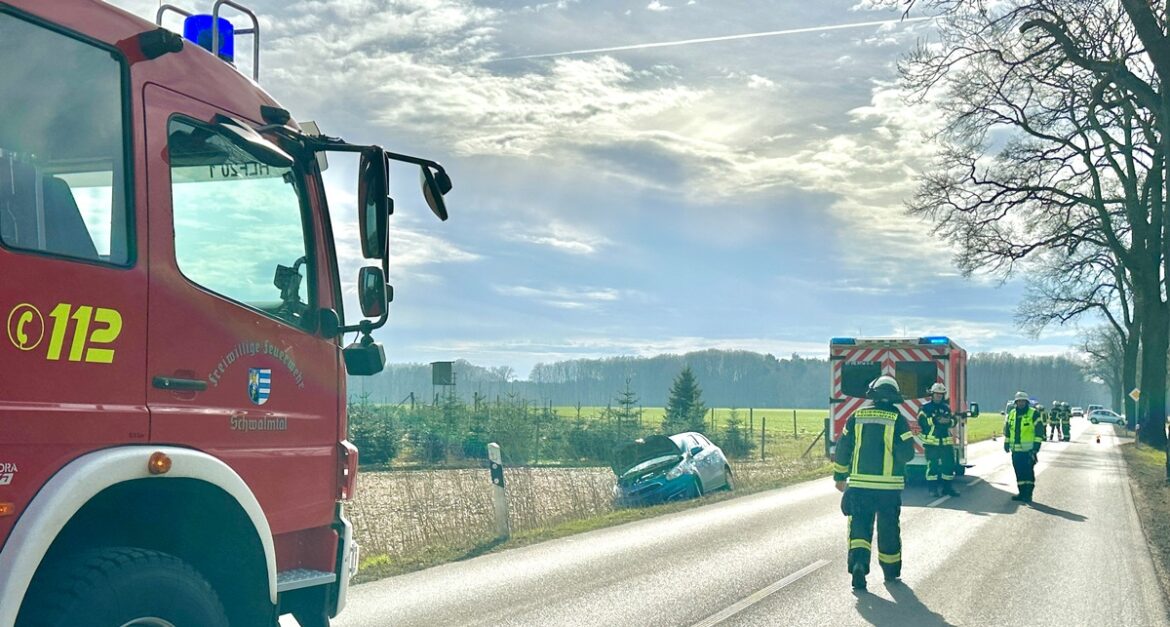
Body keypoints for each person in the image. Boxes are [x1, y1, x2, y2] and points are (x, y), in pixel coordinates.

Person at [834, 375, 916, 590]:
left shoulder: (856, 416)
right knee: (888, 527)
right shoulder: (898, 419)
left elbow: (843, 448)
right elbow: (907, 453)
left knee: (859, 526)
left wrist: (840, 476)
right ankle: (890, 572)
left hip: (860, 486)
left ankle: (859, 564)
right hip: (888, 489)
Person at [918, 382, 959, 497]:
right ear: (932, 394)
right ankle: (933, 490)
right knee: (932, 467)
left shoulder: (946, 407)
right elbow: (922, 422)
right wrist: (936, 421)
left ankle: (947, 488)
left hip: (945, 443)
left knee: (949, 466)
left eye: (941, 394)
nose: (939, 396)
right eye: (937, 394)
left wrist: (949, 422)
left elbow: (954, 420)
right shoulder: (925, 407)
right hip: (931, 443)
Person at [1003, 391, 1044, 503]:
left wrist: (1035, 448)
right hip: (1016, 451)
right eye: (1019, 401)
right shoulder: (1011, 413)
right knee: (1019, 472)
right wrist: (1006, 443)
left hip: (1028, 451)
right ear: (1016, 402)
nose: (1021, 403)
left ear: (1027, 402)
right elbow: (1008, 430)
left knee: (1028, 473)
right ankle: (1021, 493)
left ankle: (1028, 494)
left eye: (1023, 401)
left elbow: (1039, 432)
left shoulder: (1033, 413)